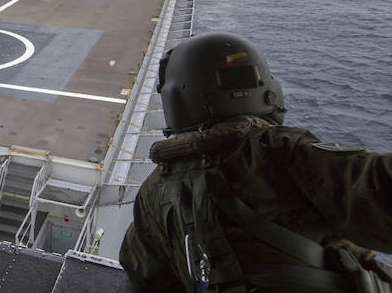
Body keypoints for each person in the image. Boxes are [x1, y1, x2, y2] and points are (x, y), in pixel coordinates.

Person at [119, 32, 392, 293]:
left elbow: (145, 277)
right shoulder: (281, 150)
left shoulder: (153, 192)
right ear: (267, 89)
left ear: (177, 99)